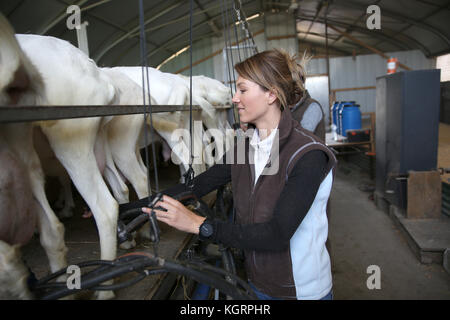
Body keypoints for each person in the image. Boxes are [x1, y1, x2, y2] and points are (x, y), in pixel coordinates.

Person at [122, 49, 337, 300]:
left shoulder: (308, 154)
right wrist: (127, 209)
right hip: (257, 282)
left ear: (271, 93)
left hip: (300, 291)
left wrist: (198, 224)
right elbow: (197, 185)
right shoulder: (247, 146)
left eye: (242, 90)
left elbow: (277, 234)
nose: (235, 99)